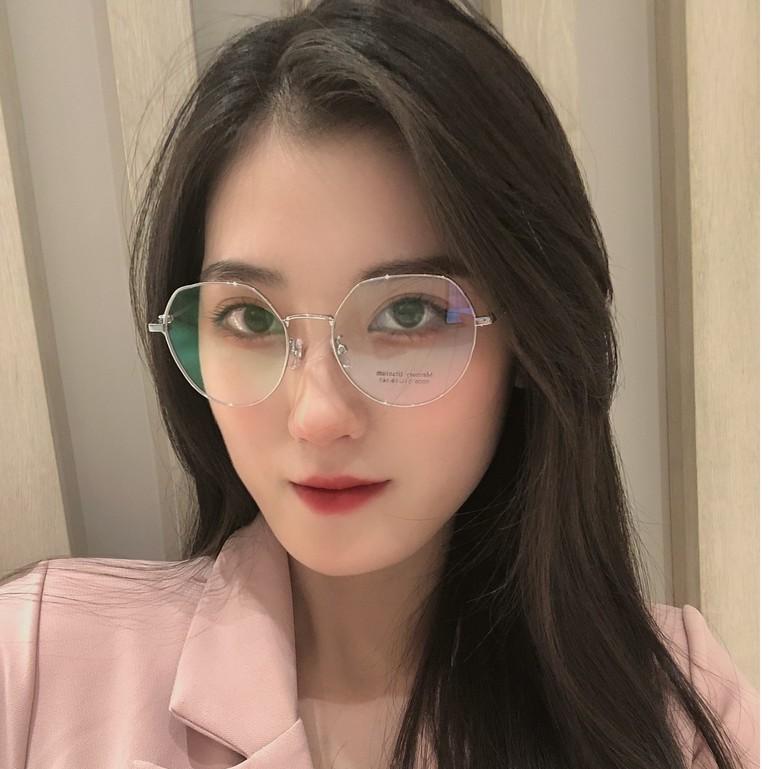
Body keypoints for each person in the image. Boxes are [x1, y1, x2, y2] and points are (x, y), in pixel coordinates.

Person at [0, 1, 758, 768]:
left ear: (528, 338)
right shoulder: (38, 662)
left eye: (407, 312)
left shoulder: (672, 710)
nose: (319, 415)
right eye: (251, 319)